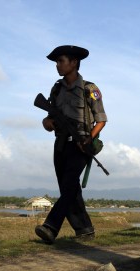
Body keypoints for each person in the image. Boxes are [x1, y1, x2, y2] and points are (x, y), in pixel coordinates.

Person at [35, 45, 107, 244]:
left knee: (68, 186)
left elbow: (101, 120)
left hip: (81, 145)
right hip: (60, 144)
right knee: (70, 188)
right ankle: (84, 229)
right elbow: (47, 121)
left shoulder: (90, 89)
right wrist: (48, 123)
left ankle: (51, 227)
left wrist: (88, 138)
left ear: (74, 63)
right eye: (57, 62)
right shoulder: (56, 89)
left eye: (61, 61)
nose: (57, 65)